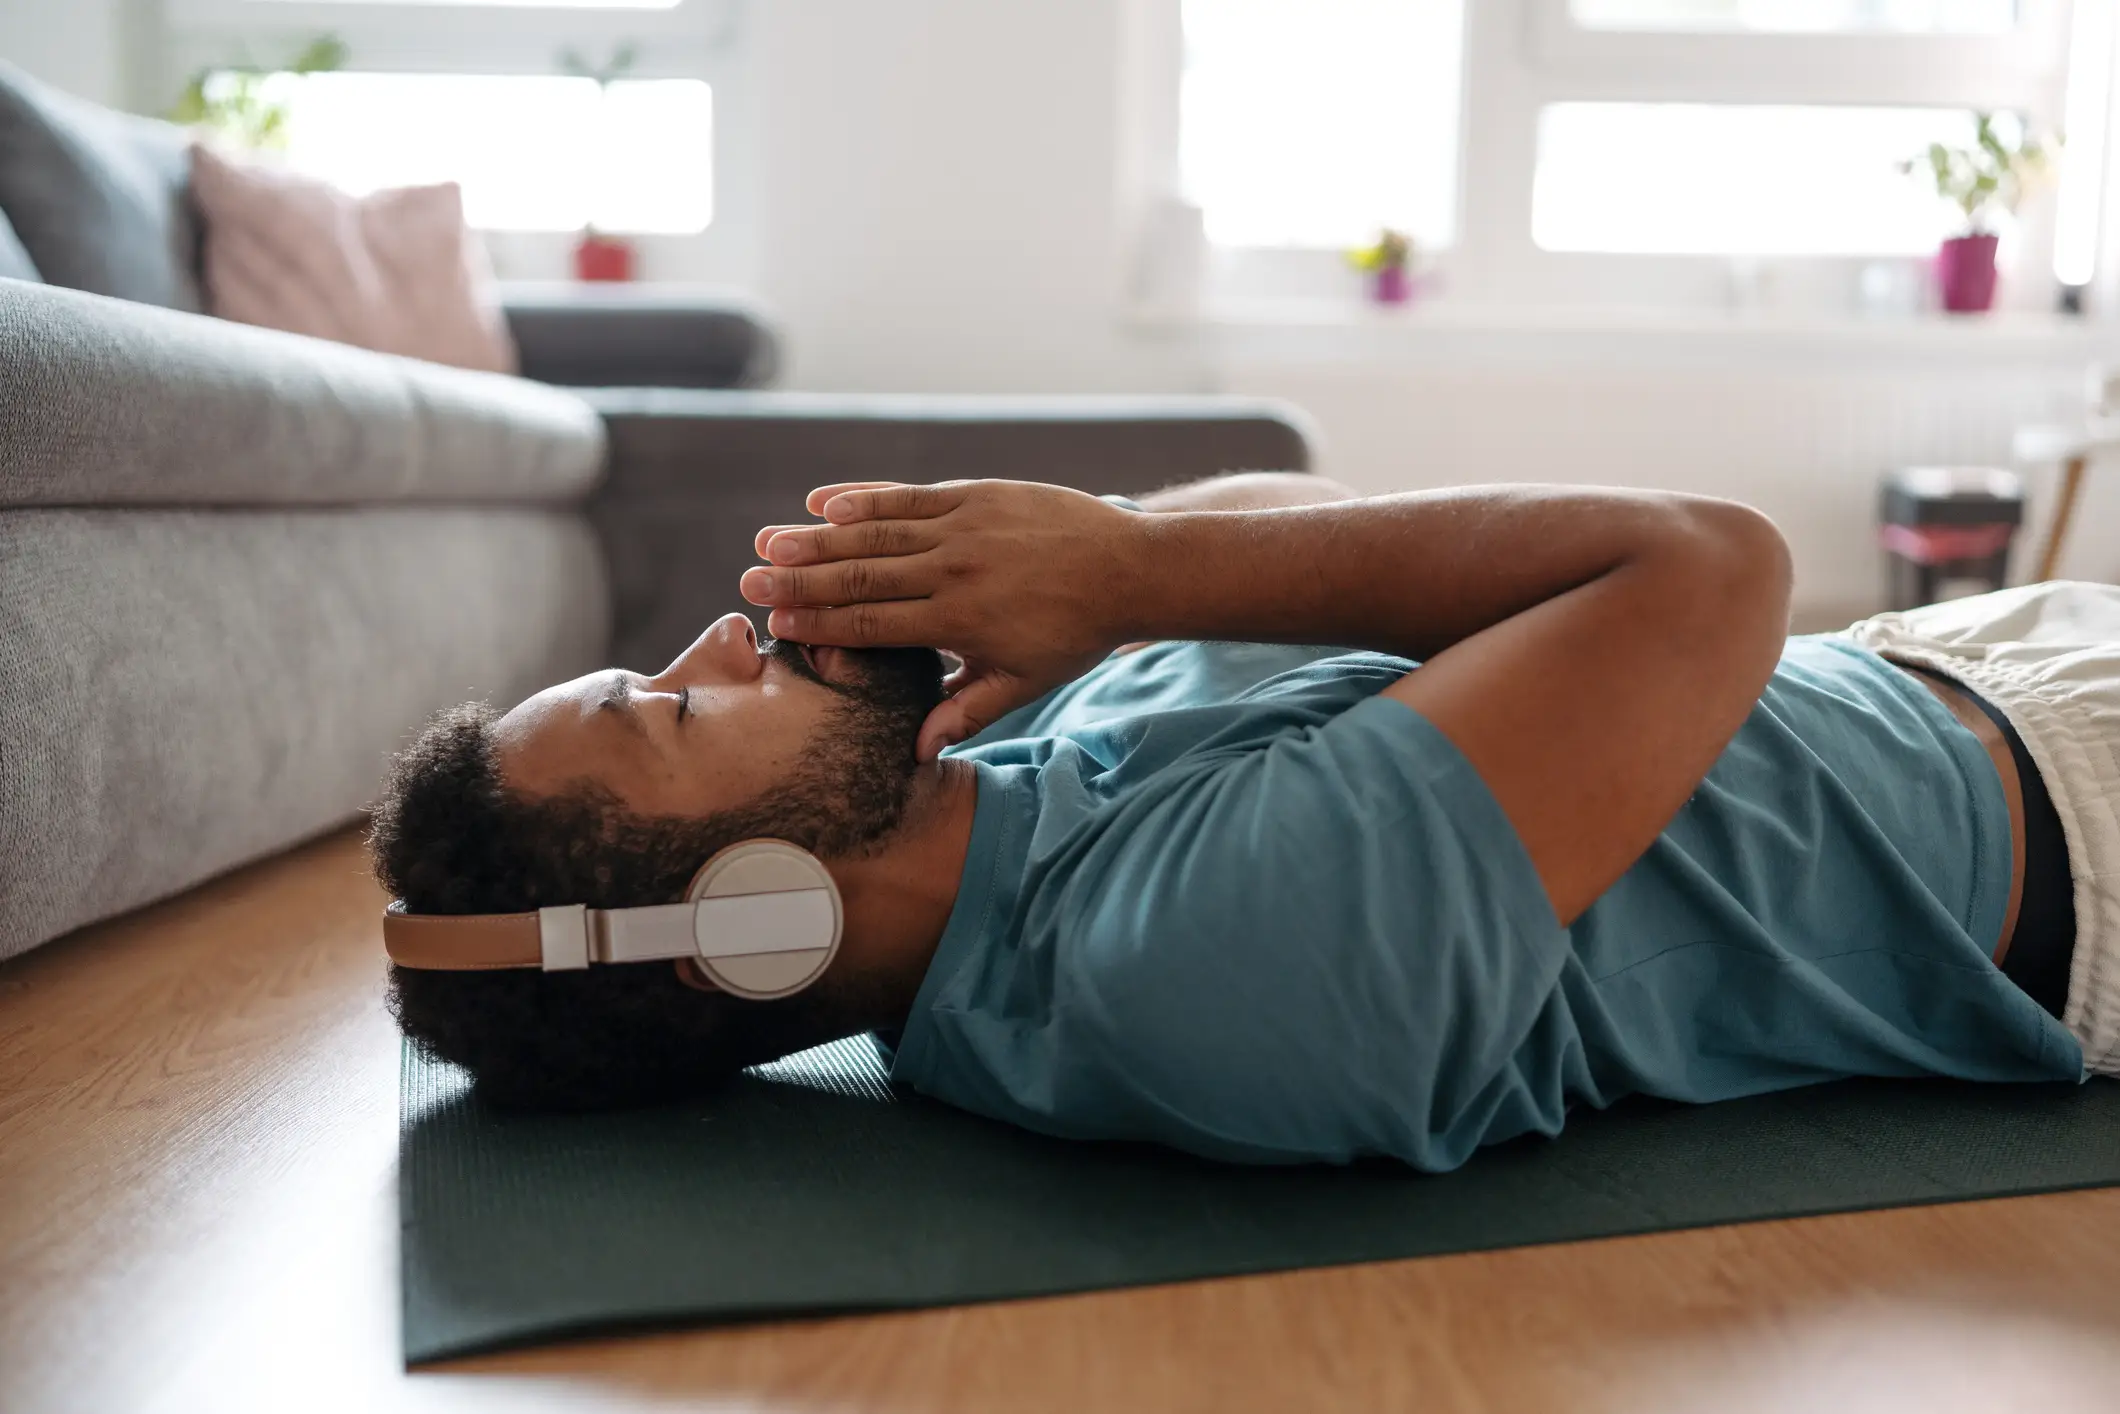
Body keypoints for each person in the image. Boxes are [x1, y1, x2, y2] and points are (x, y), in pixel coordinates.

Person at [371, 472, 2118, 1171]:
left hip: (1949, 664)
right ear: (745, 921)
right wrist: (1136, 570)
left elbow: (1309, 536)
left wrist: (1095, 567)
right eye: (672, 710)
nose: (723, 637)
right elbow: (1709, 562)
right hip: (2073, 826)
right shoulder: (1188, 966)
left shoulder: (998, 786)